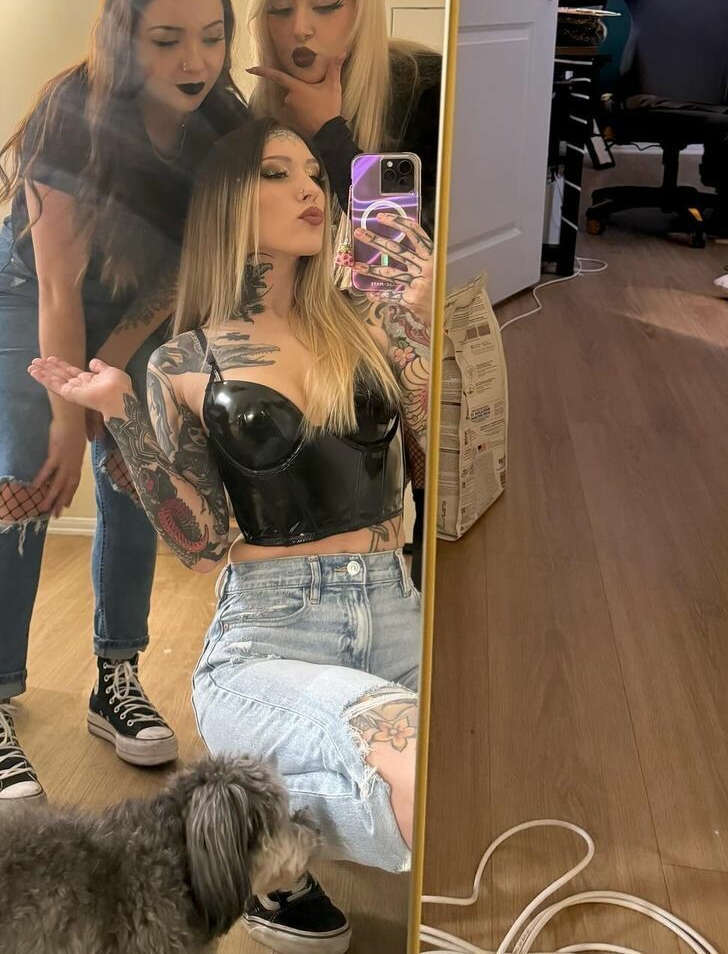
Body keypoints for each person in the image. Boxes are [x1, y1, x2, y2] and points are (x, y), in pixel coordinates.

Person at [29, 117, 434, 954]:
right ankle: (239, 839)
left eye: (314, 174)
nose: (310, 189)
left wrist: (423, 320)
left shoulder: (369, 324)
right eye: (277, 174)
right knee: (425, 771)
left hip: (397, 610)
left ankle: (243, 825)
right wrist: (120, 415)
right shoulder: (181, 362)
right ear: (226, 204)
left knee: (482, 775)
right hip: (270, 631)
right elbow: (201, 542)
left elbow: (440, 458)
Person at [0, 0, 248, 810]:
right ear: (125, 40)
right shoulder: (70, 115)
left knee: (132, 469)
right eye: (167, 40)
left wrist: (112, 370)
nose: (195, 61)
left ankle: (116, 679)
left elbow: (180, 270)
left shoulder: (220, 127)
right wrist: (63, 418)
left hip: (134, 313)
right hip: (29, 296)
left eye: (212, 36)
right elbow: (58, 284)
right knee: (27, 474)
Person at [246, 0, 443, 588]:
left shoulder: (421, 88)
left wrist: (333, 134)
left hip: (402, 343)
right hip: (304, 347)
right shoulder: (256, 115)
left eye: (326, 5)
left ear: (362, 9)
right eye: (280, 8)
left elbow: (397, 260)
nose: (301, 27)